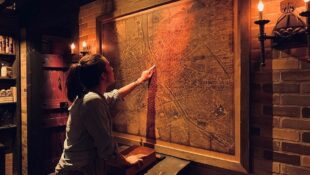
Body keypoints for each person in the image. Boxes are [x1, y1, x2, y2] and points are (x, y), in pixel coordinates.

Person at [55, 54, 155, 175]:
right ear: (103, 75)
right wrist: (126, 162)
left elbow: (115, 95)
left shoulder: (91, 96)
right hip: (77, 171)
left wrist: (139, 81)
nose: (112, 69)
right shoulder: (92, 101)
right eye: (109, 66)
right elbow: (107, 150)